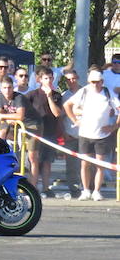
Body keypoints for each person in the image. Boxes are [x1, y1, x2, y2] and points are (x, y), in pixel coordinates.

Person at [63, 68, 120, 202]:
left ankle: (97, 191)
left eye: (98, 82)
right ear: (89, 81)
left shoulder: (107, 92)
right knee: (85, 164)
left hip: (102, 135)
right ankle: (86, 190)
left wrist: (113, 126)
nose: (95, 85)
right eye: (93, 82)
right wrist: (75, 120)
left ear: (102, 81)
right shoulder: (84, 91)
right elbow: (67, 105)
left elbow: (118, 109)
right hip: (85, 134)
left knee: (100, 165)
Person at [24, 66, 64, 197]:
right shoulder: (32, 95)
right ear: (39, 79)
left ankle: (46, 188)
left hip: (50, 132)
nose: (49, 80)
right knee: (34, 161)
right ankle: (32, 188)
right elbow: (23, 111)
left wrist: (49, 96)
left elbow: (57, 113)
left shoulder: (56, 95)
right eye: (46, 78)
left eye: (51, 78)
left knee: (47, 162)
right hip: (35, 133)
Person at [59, 69, 82, 197]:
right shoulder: (65, 95)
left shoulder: (85, 92)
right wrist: (63, 133)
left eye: (73, 78)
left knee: (86, 164)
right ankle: (74, 189)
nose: (71, 81)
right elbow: (61, 117)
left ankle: (88, 188)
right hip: (70, 133)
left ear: (77, 77)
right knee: (71, 164)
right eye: (68, 79)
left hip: (85, 133)